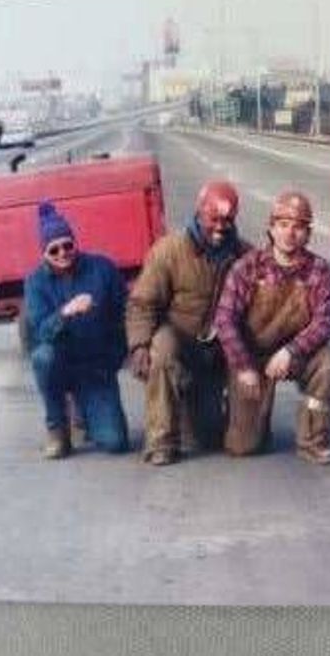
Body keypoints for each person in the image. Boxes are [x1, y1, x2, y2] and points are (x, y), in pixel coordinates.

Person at [125, 180, 249, 466]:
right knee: (162, 348)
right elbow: (143, 302)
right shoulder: (168, 250)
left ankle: (193, 405)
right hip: (178, 338)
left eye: (227, 220)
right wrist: (139, 344)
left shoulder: (243, 255)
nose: (220, 227)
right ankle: (161, 441)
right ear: (199, 213)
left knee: (208, 437)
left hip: (216, 348)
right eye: (213, 219)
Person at [213, 191, 330, 466]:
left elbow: (325, 322)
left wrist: (292, 352)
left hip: (294, 355)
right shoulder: (247, 267)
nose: (289, 234)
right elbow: (224, 319)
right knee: (243, 446)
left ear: (308, 233)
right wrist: (243, 366)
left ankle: (312, 439)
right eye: (283, 225)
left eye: (298, 227)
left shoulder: (320, 271)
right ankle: (245, 416)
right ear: (271, 228)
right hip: (251, 357)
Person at [24, 202, 129, 459]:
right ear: (44, 253)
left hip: (96, 367)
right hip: (62, 364)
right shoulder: (35, 282)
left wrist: (116, 357)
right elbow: (40, 333)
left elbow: (125, 313)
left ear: (75, 242)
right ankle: (57, 427)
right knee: (43, 357)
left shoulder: (103, 268)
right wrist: (65, 312)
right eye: (54, 249)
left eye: (67, 245)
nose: (63, 253)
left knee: (115, 442)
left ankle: (85, 410)